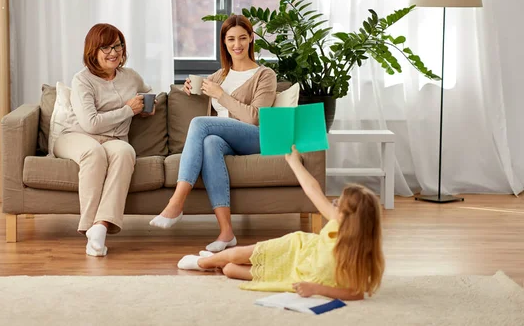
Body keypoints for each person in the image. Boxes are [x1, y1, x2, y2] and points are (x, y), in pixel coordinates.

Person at [177, 145, 385, 301]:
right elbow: (312, 189)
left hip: (293, 273)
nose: (334, 203)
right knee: (235, 254)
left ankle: (217, 260)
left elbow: (356, 293)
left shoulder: (360, 256)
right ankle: (203, 262)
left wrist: (316, 289)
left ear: (352, 220)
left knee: (231, 269)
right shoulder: (337, 219)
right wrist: (293, 161)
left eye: (339, 204)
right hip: (295, 249)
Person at [149, 15, 277, 252]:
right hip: (226, 140)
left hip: (254, 136)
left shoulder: (264, 75)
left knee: (200, 124)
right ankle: (226, 232)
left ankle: (176, 203)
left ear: (251, 39)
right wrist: (188, 87)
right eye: (230, 39)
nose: (236, 45)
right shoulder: (220, 75)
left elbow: (255, 117)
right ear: (224, 42)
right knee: (210, 143)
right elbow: (199, 88)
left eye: (242, 38)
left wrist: (221, 95)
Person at [53, 23, 155, 257]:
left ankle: (101, 226)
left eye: (117, 46)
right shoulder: (82, 80)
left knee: (125, 152)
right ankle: (88, 226)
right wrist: (129, 110)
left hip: (114, 138)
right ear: (93, 51)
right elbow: (90, 123)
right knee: (94, 153)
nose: (113, 52)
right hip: (76, 136)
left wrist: (149, 106)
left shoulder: (131, 77)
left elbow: (149, 94)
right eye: (106, 47)